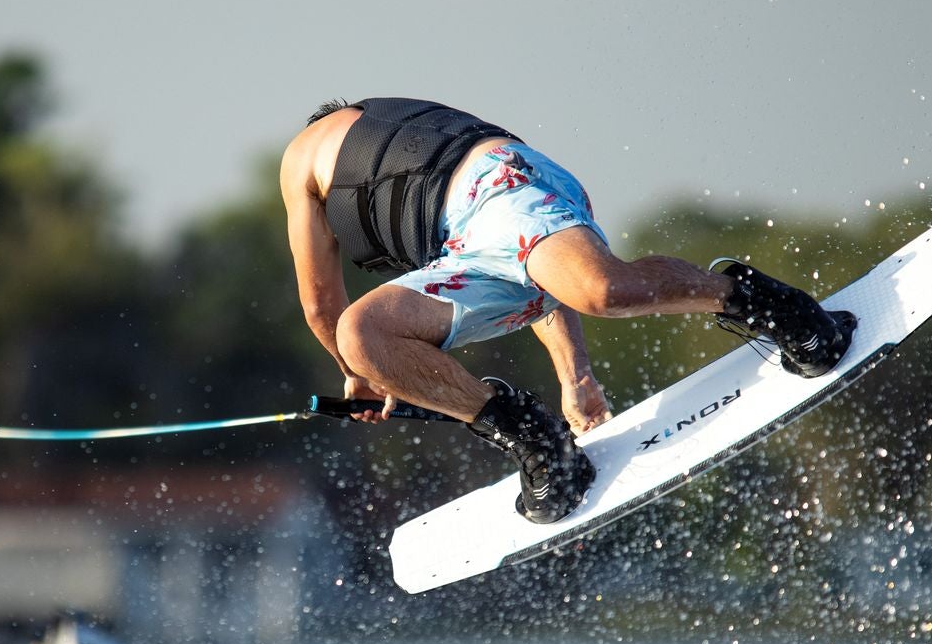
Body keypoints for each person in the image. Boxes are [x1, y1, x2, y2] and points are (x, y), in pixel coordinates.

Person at [280, 98, 856, 522]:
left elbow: (319, 302)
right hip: (465, 245)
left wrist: (358, 380)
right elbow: (531, 286)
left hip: (499, 186)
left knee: (605, 293)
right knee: (367, 333)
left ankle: (776, 308)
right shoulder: (380, 159)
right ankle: (539, 443)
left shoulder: (307, 151)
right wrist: (574, 378)